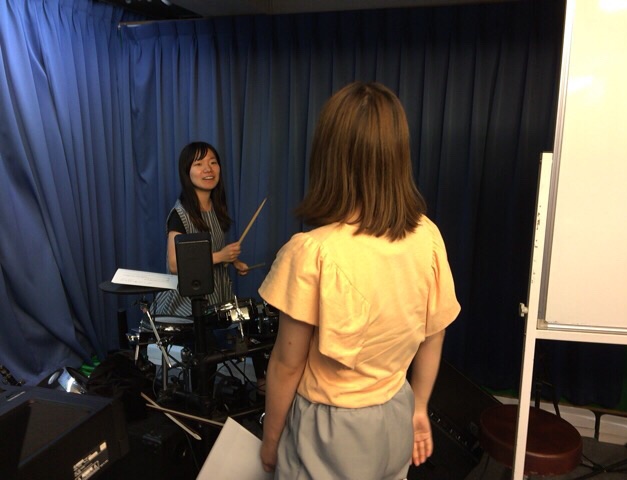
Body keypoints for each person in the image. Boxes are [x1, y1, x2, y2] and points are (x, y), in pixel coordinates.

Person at [258, 82, 461, 479]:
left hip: (332, 430)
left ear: (329, 156)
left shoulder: (313, 251)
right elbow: (434, 333)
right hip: (396, 411)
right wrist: (419, 408)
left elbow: (286, 365)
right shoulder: (428, 236)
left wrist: (271, 440)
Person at [155, 142, 268, 390]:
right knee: (208, 351)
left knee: (255, 324)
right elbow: (175, 264)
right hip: (186, 304)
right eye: (199, 164)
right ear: (187, 172)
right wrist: (220, 256)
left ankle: (263, 388)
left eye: (213, 162)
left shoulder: (214, 208)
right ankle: (202, 401)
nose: (208, 169)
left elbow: (210, 251)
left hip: (215, 298)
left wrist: (233, 260)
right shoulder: (180, 214)